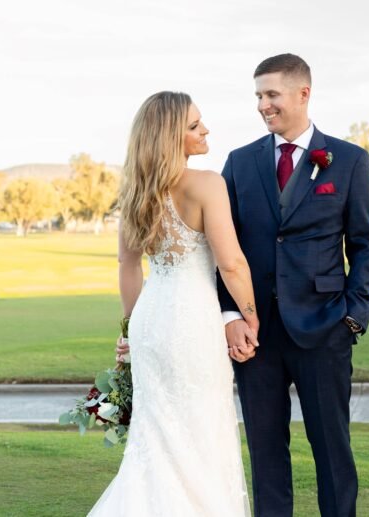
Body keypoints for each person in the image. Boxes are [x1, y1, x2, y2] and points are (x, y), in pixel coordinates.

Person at [218, 54, 369, 517]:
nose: (262, 106)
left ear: (302, 93)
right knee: (266, 455)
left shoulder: (348, 160)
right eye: (258, 96)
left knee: (333, 451)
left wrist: (353, 316)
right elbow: (222, 247)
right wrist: (231, 315)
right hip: (256, 335)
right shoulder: (240, 162)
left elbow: (366, 246)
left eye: (271, 95)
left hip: (326, 329)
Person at [90, 91, 257, 516]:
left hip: (152, 321)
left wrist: (130, 329)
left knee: (157, 431)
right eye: (194, 125)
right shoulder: (206, 184)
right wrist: (252, 319)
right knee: (202, 429)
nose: (205, 130)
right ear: (170, 136)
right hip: (193, 322)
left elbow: (128, 268)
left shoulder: (134, 191)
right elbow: (232, 263)